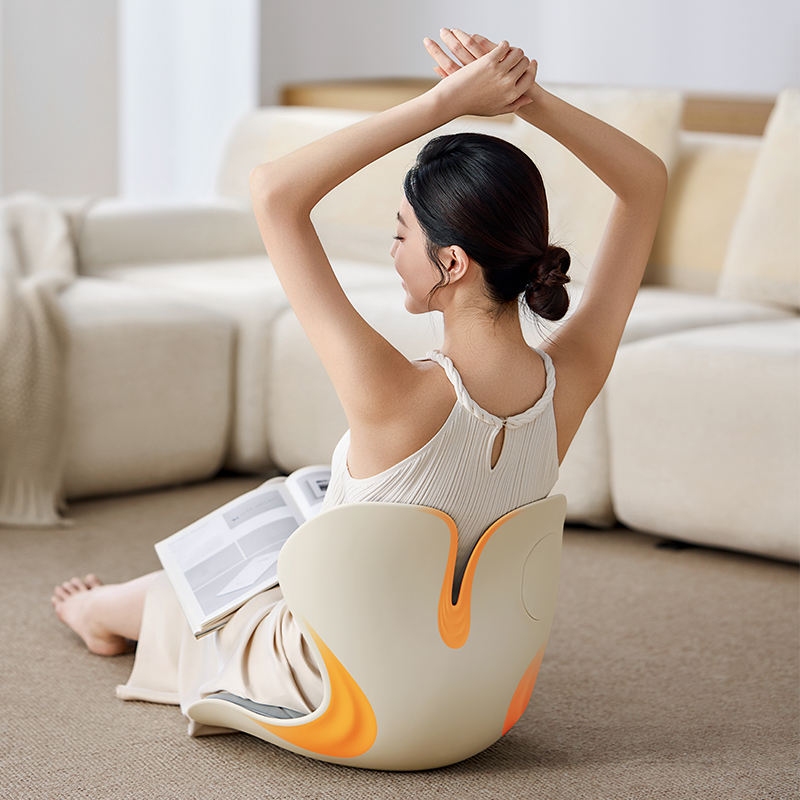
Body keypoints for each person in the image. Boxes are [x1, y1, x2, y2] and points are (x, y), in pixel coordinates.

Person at [50, 28, 667, 733]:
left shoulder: (394, 393)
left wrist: (444, 102)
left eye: (402, 234)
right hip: (476, 698)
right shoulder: (572, 377)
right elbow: (646, 184)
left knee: (217, 594)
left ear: (452, 263)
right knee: (301, 510)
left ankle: (99, 612)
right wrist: (531, 99)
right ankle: (121, 605)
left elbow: (274, 192)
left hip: (349, 696)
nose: (393, 250)